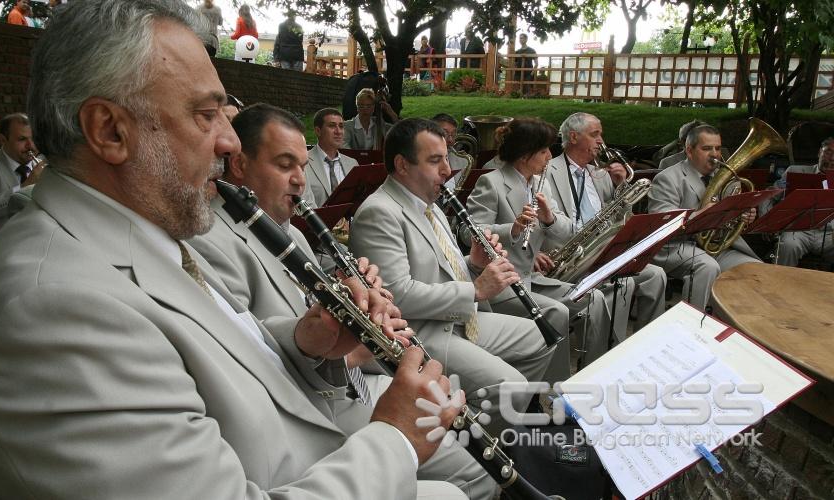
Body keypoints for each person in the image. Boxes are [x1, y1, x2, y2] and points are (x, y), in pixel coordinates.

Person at [0, 2, 465, 499]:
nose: (229, 142)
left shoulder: (137, 231)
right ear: (110, 131)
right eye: (205, 114)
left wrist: (308, 342)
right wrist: (395, 440)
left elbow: (219, 349)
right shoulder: (58, 312)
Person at [188, 103, 497, 499]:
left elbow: (312, 313)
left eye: (302, 165)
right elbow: (256, 363)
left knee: (471, 436)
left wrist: (361, 300)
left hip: (350, 382)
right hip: (313, 405)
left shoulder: (290, 235)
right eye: (285, 165)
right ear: (240, 165)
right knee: (473, 468)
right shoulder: (212, 243)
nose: (301, 180)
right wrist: (350, 349)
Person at [350, 118, 556, 434]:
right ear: (402, 165)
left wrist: (473, 262)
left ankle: (481, 411)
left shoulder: (428, 204)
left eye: (446, 158)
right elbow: (397, 295)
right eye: (435, 161)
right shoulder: (380, 212)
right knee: (510, 384)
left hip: (455, 320)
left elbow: (439, 269)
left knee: (542, 337)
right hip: (420, 332)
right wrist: (474, 290)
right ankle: (474, 443)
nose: (448, 170)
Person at [465, 118, 612, 377]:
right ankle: (556, 387)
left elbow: (567, 231)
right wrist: (512, 228)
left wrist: (549, 218)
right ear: (525, 155)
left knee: (593, 298)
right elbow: (469, 232)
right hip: (500, 282)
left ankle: (593, 373)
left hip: (530, 277)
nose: (550, 156)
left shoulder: (537, 183)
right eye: (544, 151)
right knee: (556, 312)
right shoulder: (492, 182)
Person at [542, 112, 667, 336]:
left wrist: (620, 186)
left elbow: (620, 218)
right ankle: (610, 345)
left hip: (603, 250)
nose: (601, 141)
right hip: (571, 255)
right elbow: (549, 220)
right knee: (620, 285)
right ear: (573, 137)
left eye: (601, 134)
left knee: (656, 275)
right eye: (595, 134)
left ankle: (647, 339)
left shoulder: (599, 173)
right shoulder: (548, 170)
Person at [647, 124, 761, 308]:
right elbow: (662, 223)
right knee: (707, 267)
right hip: (677, 246)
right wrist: (702, 214)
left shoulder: (726, 178)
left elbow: (730, 219)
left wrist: (744, 216)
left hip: (715, 248)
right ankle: (691, 326)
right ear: (689, 151)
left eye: (717, 148)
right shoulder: (669, 177)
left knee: (754, 269)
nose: (715, 154)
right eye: (707, 148)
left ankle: (727, 324)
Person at [772, 137, 834, 266]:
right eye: (828, 152)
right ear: (819, 152)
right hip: (798, 231)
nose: (832, 158)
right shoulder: (795, 171)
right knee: (787, 245)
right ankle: (777, 284)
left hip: (829, 234)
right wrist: (769, 223)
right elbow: (770, 195)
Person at [306, 108, 357, 206]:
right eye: (332, 126)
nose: (338, 131)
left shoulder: (352, 163)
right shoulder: (303, 162)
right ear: (318, 131)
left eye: (341, 126)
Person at [432, 113, 470, 191]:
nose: (450, 140)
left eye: (453, 134)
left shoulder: (463, 161)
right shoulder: (419, 163)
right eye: (444, 133)